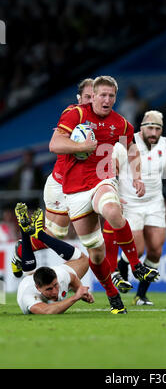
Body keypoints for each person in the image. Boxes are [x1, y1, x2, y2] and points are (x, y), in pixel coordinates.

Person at [49, 75, 159, 314]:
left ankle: (136, 265)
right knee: (96, 254)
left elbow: (131, 147)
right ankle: (112, 296)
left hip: (102, 180)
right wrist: (81, 147)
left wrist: (137, 176)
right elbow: (55, 144)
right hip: (75, 191)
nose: (107, 100)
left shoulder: (119, 122)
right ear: (94, 95)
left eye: (111, 96)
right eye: (103, 95)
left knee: (112, 210)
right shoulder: (76, 115)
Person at [11, 78, 94, 279]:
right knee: (55, 234)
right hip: (61, 183)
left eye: (95, 97)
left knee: (65, 233)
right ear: (79, 98)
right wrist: (82, 147)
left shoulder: (102, 119)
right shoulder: (72, 114)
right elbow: (54, 144)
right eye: (87, 97)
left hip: (83, 184)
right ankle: (21, 251)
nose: (91, 101)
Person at [103, 110, 166, 305]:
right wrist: (113, 192)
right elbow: (111, 168)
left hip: (155, 203)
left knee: (156, 250)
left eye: (158, 129)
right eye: (150, 128)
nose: (154, 133)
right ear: (141, 127)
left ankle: (140, 295)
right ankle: (121, 270)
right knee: (138, 249)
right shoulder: (127, 142)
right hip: (129, 203)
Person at [15, 203, 94, 315]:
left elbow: (72, 277)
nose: (55, 291)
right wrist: (76, 297)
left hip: (35, 269)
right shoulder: (28, 295)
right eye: (49, 289)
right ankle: (28, 233)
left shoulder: (60, 276)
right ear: (38, 288)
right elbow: (47, 310)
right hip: (27, 280)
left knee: (83, 260)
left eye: (55, 285)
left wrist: (79, 289)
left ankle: (38, 234)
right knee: (28, 273)